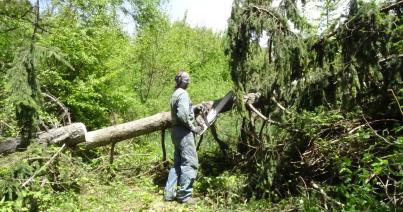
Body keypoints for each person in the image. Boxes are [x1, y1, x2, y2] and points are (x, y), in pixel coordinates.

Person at [164, 70, 203, 203]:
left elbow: (181, 112)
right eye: (187, 79)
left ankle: (169, 194)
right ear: (180, 80)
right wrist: (193, 128)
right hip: (184, 132)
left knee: (177, 164)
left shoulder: (175, 94)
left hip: (175, 132)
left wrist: (195, 109)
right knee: (190, 163)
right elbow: (182, 115)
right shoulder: (183, 94)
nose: (189, 81)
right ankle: (185, 196)